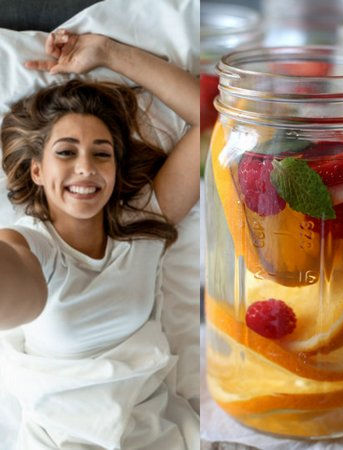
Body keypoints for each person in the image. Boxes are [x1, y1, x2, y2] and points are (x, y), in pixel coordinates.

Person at [0, 29, 199, 448]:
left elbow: (216, 119)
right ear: (37, 170)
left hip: (154, 435)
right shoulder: (33, 247)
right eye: (67, 152)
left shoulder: (143, 221)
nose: (86, 167)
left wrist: (108, 52)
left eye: (102, 153)